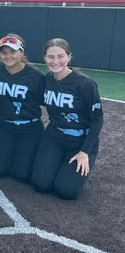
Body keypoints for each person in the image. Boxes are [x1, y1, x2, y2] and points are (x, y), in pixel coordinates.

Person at [31, 38, 104, 199]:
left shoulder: (85, 84)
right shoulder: (46, 80)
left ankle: (74, 168)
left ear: (69, 57)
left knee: (65, 191)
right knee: (40, 184)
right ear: (44, 58)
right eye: (50, 56)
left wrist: (84, 151)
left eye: (60, 56)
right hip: (54, 137)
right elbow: (35, 100)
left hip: (80, 141)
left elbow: (97, 119)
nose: (55, 61)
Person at [0, 34, 45, 182]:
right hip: (4, 125)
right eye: (4, 52)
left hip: (29, 128)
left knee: (22, 175)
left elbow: (43, 100)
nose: (8, 56)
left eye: (13, 51)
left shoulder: (35, 76)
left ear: (21, 52)